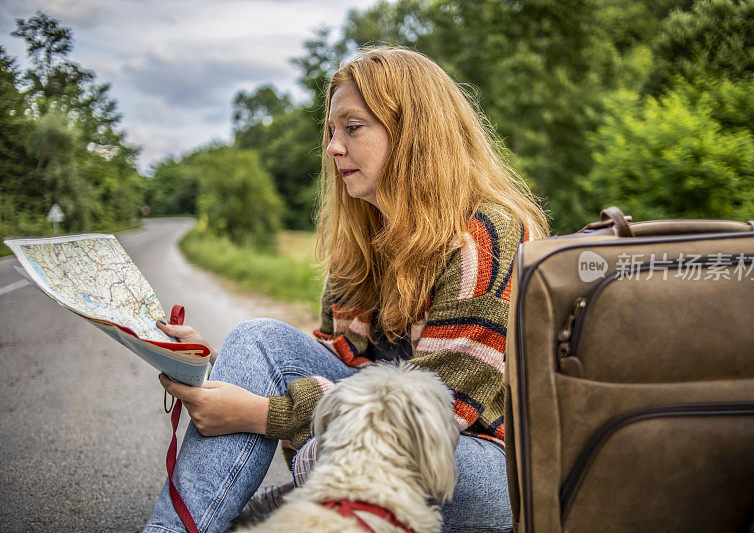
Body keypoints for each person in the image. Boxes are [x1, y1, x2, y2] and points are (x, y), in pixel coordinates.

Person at [143, 46, 548, 533]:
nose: (334, 147)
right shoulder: (364, 238)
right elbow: (334, 359)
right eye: (332, 132)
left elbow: (429, 412)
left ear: (414, 133)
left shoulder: (488, 234)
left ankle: (301, 501)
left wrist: (260, 413)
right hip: (364, 444)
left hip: (475, 467)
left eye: (353, 128)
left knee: (342, 442)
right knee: (258, 340)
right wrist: (206, 367)